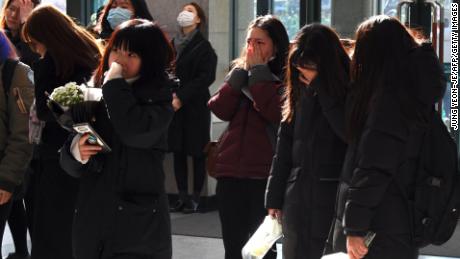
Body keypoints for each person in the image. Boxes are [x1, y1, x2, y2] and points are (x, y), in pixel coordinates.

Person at [327, 15, 446, 259]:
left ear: (373, 54)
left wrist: (355, 228)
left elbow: (374, 167)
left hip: (380, 225)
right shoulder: (410, 93)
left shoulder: (389, 102)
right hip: (399, 219)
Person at [60, 19, 175, 259]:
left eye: (131, 53)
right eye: (115, 50)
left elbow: (134, 131)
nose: (119, 59)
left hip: (138, 229)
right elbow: (69, 159)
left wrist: (113, 84)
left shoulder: (159, 99)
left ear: (149, 60)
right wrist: (75, 151)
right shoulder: (93, 93)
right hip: (93, 221)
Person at [22, 5, 101, 259]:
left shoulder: (51, 63)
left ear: (46, 37)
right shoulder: (90, 53)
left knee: (50, 232)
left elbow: (46, 112)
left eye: (35, 43)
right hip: (89, 151)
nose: (35, 49)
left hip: (57, 157)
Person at [208, 15, 289, 259]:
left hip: (263, 175)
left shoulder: (285, 78)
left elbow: (275, 112)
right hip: (230, 172)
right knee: (233, 247)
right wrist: (238, 78)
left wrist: (260, 73)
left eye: (260, 42)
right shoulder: (239, 73)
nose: (252, 48)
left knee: (261, 248)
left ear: (276, 45)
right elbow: (220, 109)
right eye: (249, 41)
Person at [265, 24, 349, 259]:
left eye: (310, 67)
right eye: (300, 66)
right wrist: (274, 196)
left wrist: (321, 89)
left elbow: (348, 132)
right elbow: (284, 146)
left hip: (330, 195)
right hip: (297, 194)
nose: (303, 72)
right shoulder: (298, 90)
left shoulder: (347, 89)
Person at [168, 2, 217, 213]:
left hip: (195, 106)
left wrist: (182, 96)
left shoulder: (204, 47)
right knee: (177, 151)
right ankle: (182, 196)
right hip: (175, 105)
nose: (184, 14)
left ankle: (196, 197)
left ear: (198, 19)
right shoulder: (173, 44)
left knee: (197, 152)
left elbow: (205, 78)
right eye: (184, 10)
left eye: (190, 11)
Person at [0, 1, 40, 258]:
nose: (13, 14)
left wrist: (28, 23)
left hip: (17, 156)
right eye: (10, 8)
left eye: (20, 8)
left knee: (20, 200)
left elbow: (22, 133)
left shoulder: (17, 68)